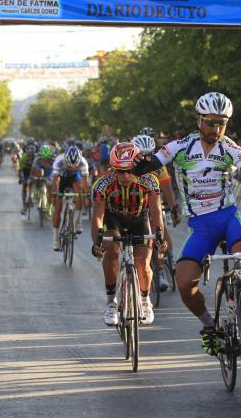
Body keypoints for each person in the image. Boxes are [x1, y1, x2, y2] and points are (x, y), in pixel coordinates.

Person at [133, 92, 241, 356]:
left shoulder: (229, 147)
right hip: (201, 225)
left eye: (221, 123)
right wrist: (138, 164)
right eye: (210, 122)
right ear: (199, 120)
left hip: (228, 217)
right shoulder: (180, 146)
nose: (216, 129)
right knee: (184, 283)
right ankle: (210, 325)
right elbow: (152, 163)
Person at [91, 142, 164, 326]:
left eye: (129, 170)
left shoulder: (149, 180)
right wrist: (97, 242)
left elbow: (155, 212)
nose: (124, 175)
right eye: (119, 171)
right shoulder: (102, 182)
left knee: (143, 262)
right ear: (112, 168)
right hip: (114, 218)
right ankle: (111, 303)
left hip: (140, 219)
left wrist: (159, 236)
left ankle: (145, 301)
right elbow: (98, 216)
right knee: (111, 249)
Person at [132, 133, 180, 291]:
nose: (146, 158)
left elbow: (167, 189)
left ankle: (163, 267)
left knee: (160, 224)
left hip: (153, 199)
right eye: (142, 155)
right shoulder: (128, 165)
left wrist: (173, 208)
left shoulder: (158, 167)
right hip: (133, 201)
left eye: (149, 154)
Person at [51, 146, 89, 250]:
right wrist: (55, 194)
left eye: (74, 165)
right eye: (69, 165)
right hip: (61, 178)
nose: (71, 167)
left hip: (74, 177)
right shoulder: (58, 161)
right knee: (58, 207)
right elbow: (56, 181)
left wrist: (87, 195)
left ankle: (77, 223)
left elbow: (85, 182)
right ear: (65, 160)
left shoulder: (83, 162)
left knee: (80, 193)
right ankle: (56, 239)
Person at [18, 144, 37, 213]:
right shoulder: (23, 158)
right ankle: (24, 205)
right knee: (24, 187)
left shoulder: (36, 157)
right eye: (29, 154)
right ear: (26, 153)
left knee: (34, 183)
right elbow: (20, 169)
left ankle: (32, 197)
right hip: (25, 172)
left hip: (34, 172)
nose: (30, 156)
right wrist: (20, 178)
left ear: (34, 153)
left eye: (32, 154)